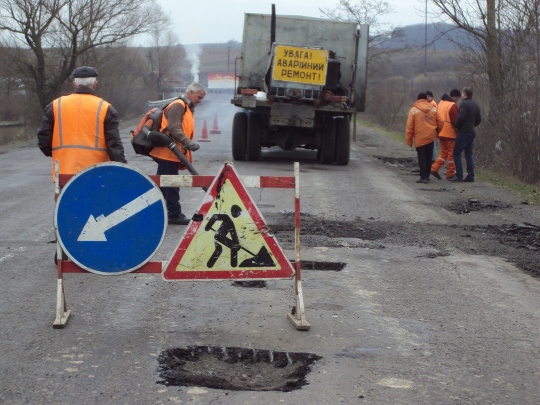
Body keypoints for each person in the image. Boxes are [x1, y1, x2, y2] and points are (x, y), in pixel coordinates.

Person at [37, 66, 126, 181]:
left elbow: (43, 138)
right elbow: (114, 145)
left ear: (74, 84)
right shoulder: (105, 108)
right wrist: (123, 170)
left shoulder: (55, 106)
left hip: (64, 173)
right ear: (94, 84)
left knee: (66, 199)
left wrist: (57, 153)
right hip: (96, 173)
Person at [150, 82, 207, 225]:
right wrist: (188, 142)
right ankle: (174, 214)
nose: (200, 101)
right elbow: (174, 128)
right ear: (191, 92)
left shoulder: (186, 107)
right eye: (199, 97)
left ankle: (159, 211)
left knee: (164, 184)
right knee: (171, 184)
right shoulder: (178, 105)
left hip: (171, 152)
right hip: (168, 151)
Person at [406, 93, 444, 184]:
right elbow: (441, 123)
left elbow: (409, 127)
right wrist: (437, 132)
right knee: (428, 157)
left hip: (419, 137)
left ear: (418, 99)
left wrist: (409, 140)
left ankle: (423, 177)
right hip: (431, 137)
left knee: (421, 157)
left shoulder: (413, 110)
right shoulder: (433, 109)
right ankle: (427, 176)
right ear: (425, 99)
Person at [448, 87, 481, 182]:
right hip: (472, 131)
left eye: (462, 93)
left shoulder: (464, 104)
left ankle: (459, 175)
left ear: (464, 94)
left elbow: (461, 118)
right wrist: (472, 126)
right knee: (469, 154)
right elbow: (479, 119)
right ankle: (470, 176)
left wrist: (457, 126)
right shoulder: (475, 104)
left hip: (464, 132)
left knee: (456, 152)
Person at [431, 89, 461, 180]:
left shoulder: (440, 103)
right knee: (451, 153)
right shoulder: (452, 105)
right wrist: (458, 130)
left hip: (440, 132)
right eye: (458, 98)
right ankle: (450, 173)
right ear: (455, 96)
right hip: (450, 133)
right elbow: (455, 120)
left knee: (444, 152)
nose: (458, 100)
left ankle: (434, 168)